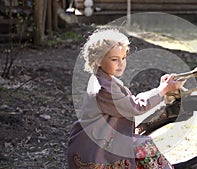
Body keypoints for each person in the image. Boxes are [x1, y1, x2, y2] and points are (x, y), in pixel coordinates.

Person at [67, 29, 185, 169]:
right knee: (145, 146)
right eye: (114, 59)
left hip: (102, 140)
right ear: (98, 60)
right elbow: (135, 107)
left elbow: (130, 101)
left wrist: (160, 89)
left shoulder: (105, 80)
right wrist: (162, 90)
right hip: (96, 149)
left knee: (142, 147)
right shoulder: (104, 89)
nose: (121, 63)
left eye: (123, 58)